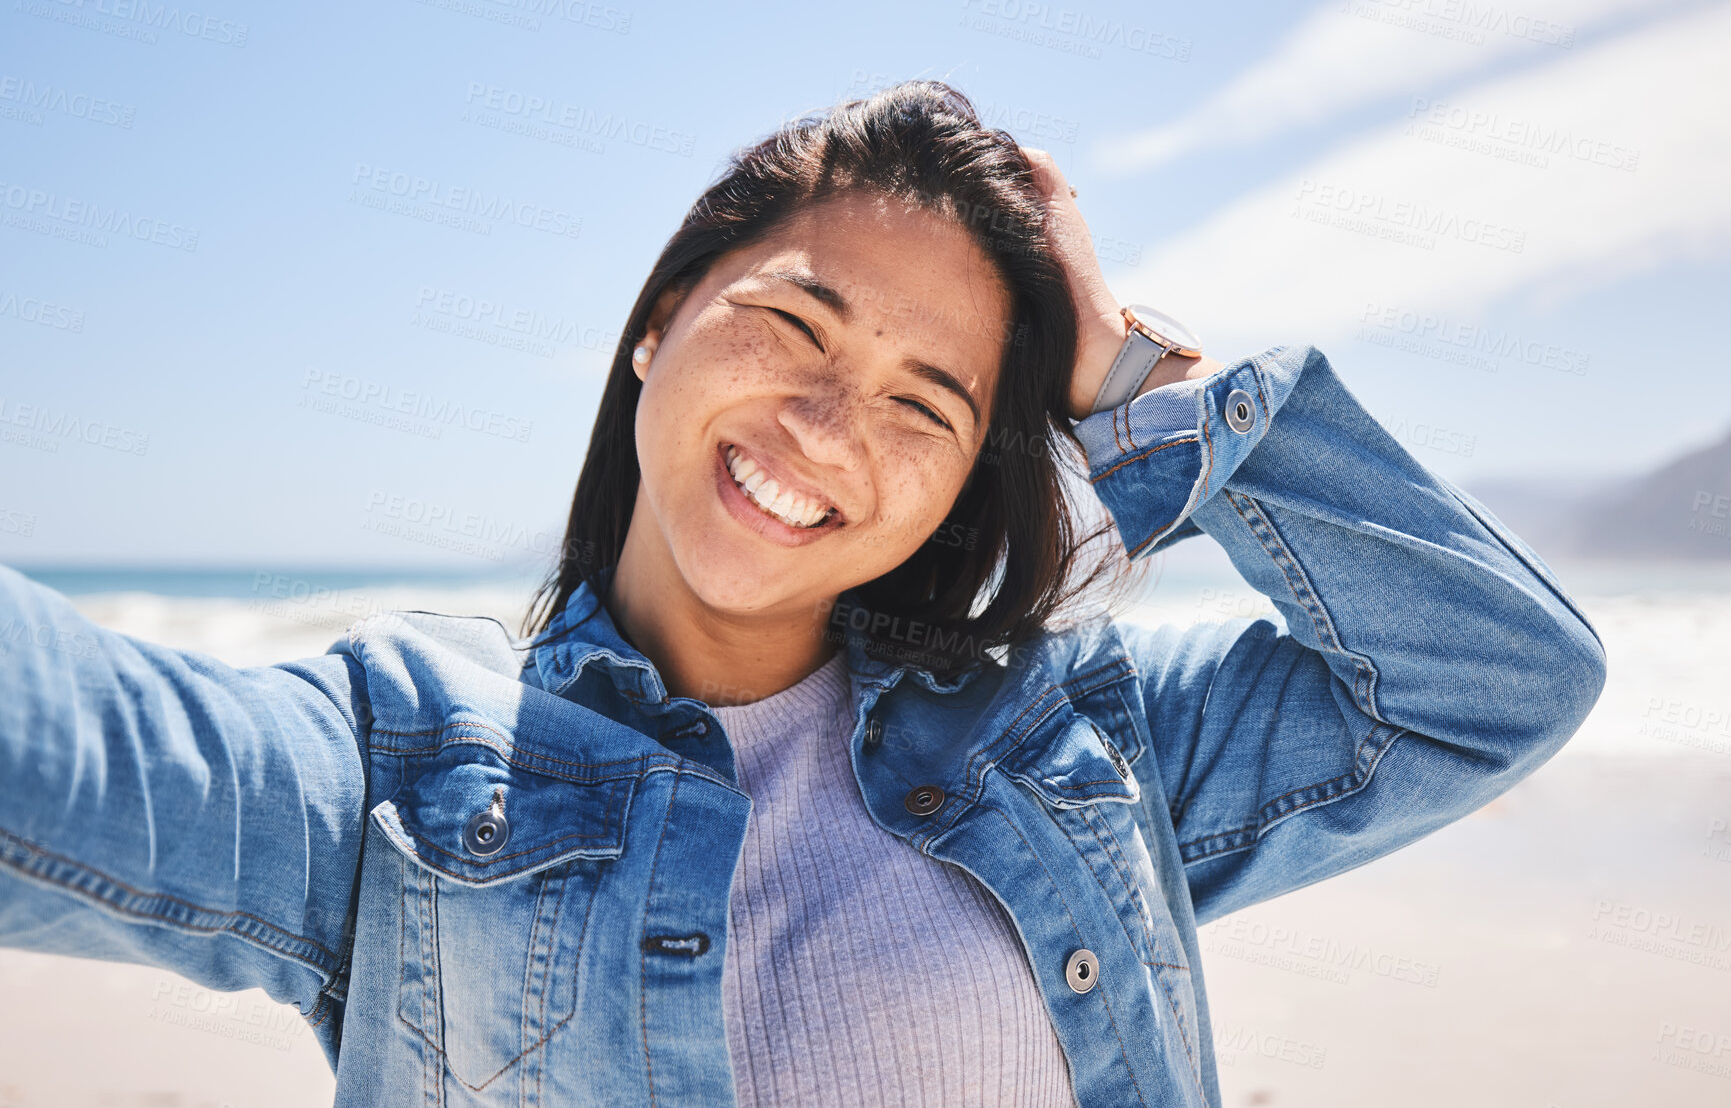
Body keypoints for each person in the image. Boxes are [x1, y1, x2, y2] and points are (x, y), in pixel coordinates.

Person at [0, 82, 1606, 1107]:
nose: (829, 432)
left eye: (927, 403)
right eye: (795, 325)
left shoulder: (1075, 755)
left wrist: (1123, 374)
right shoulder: (404, 782)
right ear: (660, 320)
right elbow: (63, 745)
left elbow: (1496, 678)